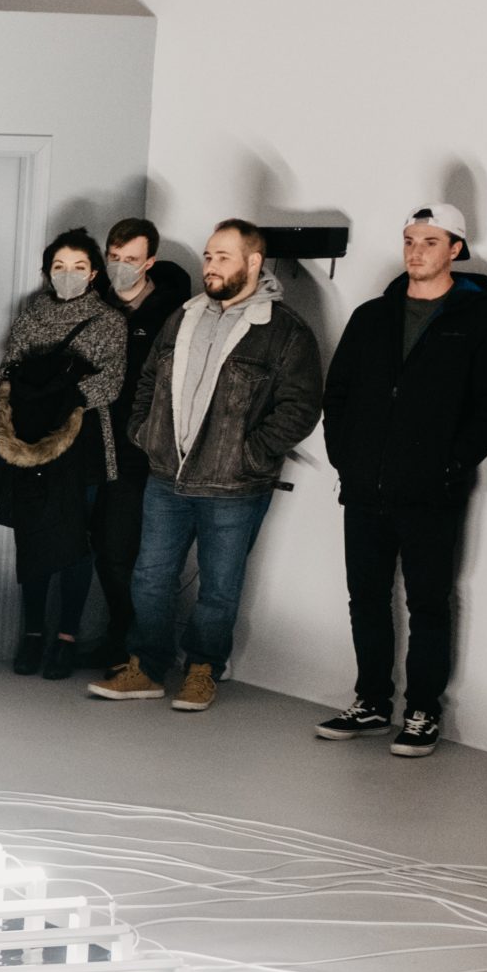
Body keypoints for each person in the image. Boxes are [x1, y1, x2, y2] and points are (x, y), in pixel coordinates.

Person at [314, 203, 487, 756]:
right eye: (409, 239)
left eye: (429, 241)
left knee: (429, 602)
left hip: (433, 493)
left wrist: (451, 462)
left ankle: (425, 711)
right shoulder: (371, 317)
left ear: (456, 248)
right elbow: (337, 394)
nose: (415, 251)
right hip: (364, 489)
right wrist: (346, 459)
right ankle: (372, 702)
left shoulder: (481, 322)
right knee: (366, 598)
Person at [91, 220, 322, 713]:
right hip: (166, 478)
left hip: (234, 486)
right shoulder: (184, 317)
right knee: (149, 577)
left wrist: (249, 454)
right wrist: (144, 434)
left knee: (218, 587)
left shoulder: (284, 332)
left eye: (223, 257)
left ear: (253, 263)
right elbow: (150, 382)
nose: (211, 266)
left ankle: (201, 671)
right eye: (209, 256)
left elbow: (300, 407)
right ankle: (146, 668)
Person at [0, 230, 128, 680]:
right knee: (32, 535)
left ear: (95, 273)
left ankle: (66, 636)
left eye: (78, 268)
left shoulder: (109, 321)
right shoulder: (33, 314)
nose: (68, 276)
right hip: (30, 438)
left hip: (81, 441)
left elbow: (111, 383)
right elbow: (7, 368)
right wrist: (38, 392)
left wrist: (57, 393)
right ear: (47, 272)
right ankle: (31, 635)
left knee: (76, 542)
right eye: (59, 267)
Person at [87, 219, 193, 671]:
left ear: (150, 262)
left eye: (131, 260)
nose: (120, 267)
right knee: (98, 547)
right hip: (92, 443)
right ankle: (118, 637)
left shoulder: (173, 314)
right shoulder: (95, 304)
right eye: (114, 258)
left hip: (139, 452)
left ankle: (134, 645)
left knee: (123, 552)